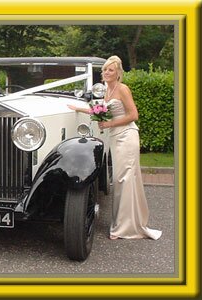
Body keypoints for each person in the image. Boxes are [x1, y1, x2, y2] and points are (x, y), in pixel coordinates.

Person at [67, 55, 162, 240]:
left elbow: (133, 114)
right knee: (120, 180)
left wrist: (109, 125)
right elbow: (100, 110)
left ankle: (125, 227)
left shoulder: (123, 89)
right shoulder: (107, 91)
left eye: (111, 70)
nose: (106, 73)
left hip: (127, 136)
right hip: (116, 138)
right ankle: (121, 223)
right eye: (104, 70)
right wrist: (78, 108)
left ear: (118, 72)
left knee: (124, 179)